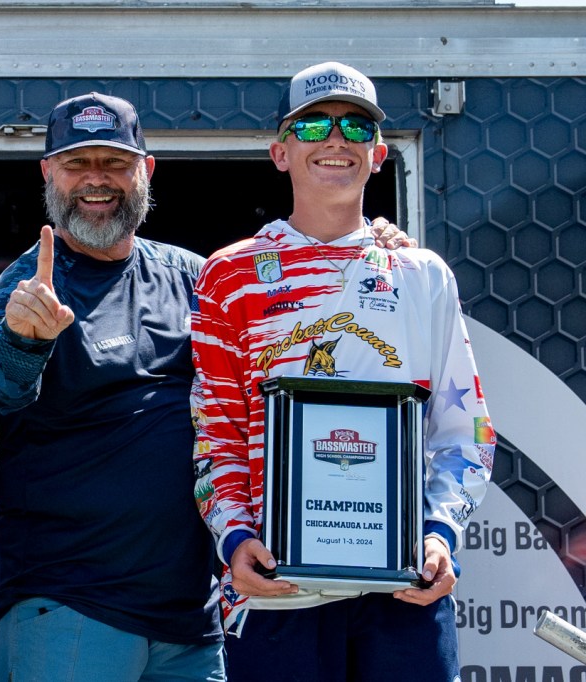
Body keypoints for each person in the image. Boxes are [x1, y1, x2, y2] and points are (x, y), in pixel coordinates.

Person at [0, 92, 411, 682]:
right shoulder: (30, 284)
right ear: (48, 172)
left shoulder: (196, 276)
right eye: (77, 164)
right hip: (72, 606)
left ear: (146, 171)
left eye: (115, 163)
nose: (97, 179)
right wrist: (25, 339)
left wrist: (367, 252)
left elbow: (292, 353)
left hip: (192, 618)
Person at [191, 62, 496, 682]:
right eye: (313, 125)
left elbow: (466, 431)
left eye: (356, 127)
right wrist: (234, 538)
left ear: (379, 154)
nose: (335, 139)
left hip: (402, 586)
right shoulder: (230, 275)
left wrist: (439, 534)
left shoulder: (423, 275)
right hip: (278, 587)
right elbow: (215, 433)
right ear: (281, 152)